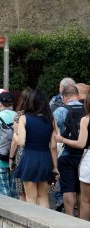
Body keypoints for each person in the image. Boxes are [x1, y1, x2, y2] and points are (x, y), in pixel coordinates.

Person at [14, 89, 59, 208]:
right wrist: (55, 167)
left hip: (29, 158)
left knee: (30, 198)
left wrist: (15, 135)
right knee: (43, 197)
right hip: (45, 158)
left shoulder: (24, 118)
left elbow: (21, 142)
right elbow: (54, 146)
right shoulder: (51, 120)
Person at [55, 92, 90, 220]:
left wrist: (61, 139)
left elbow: (81, 143)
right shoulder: (83, 112)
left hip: (71, 154)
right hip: (83, 157)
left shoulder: (62, 110)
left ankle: (71, 219)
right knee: (82, 192)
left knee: (69, 189)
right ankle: (81, 219)